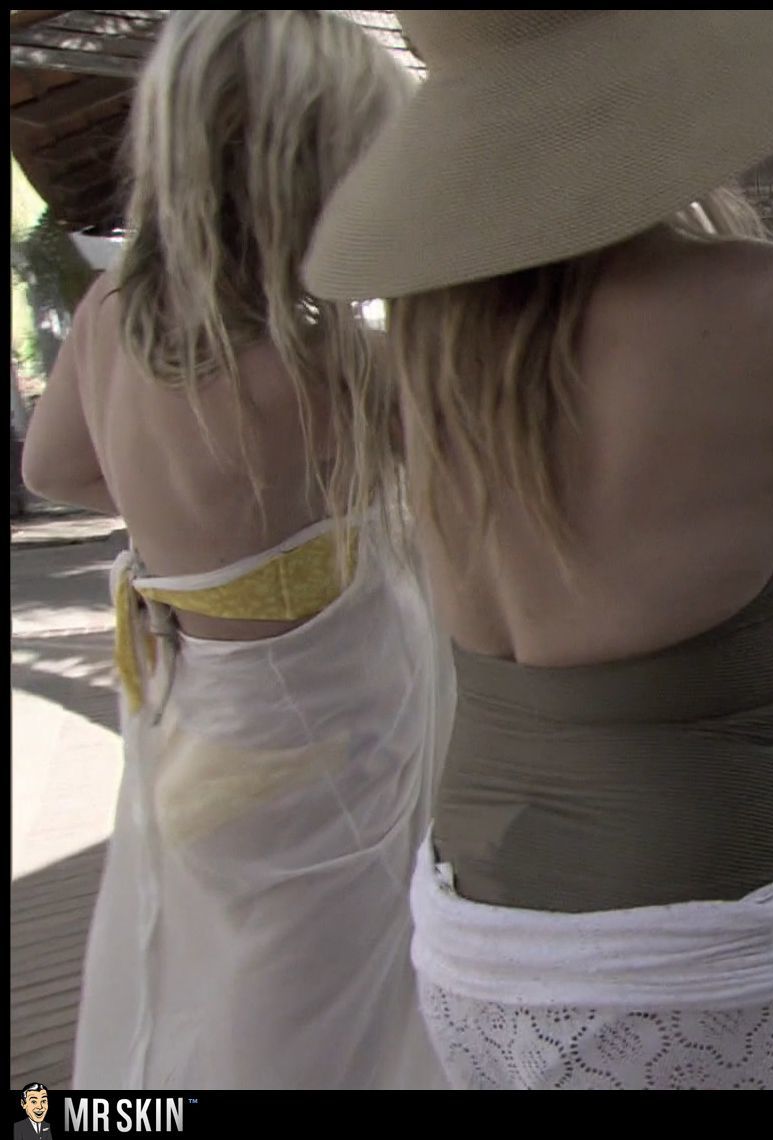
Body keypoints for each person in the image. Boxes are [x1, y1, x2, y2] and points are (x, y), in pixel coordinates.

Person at [301, 11, 773, 1090]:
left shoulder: (443, 336)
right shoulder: (767, 304)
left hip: (474, 934)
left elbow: (656, 400)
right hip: (689, 957)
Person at [21, 11, 448, 1089]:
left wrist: (181, 529)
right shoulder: (329, 361)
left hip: (187, 711)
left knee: (204, 973)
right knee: (321, 1012)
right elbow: (489, 448)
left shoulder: (111, 311)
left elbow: (54, 470)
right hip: (318, 749)